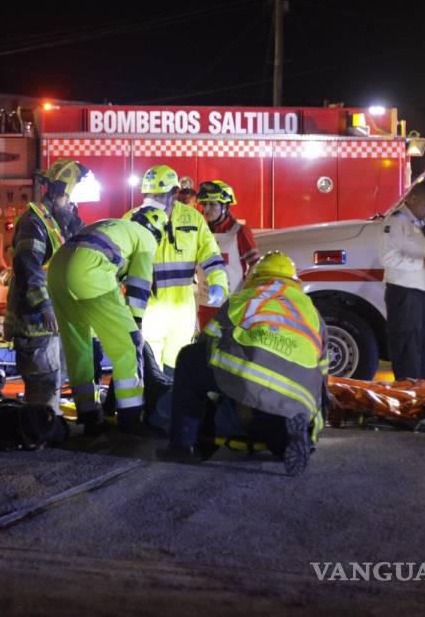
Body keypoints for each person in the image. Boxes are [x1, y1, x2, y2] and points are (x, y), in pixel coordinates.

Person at [160, 252, 329, 476]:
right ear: (294, 282)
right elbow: (323, 378)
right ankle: (292, 438)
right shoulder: (312, 312)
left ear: (253, 277)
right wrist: (314, 432)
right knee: (275, 424)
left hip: (249, 375)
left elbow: (206, 340)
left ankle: (182, 445)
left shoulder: (244, 298)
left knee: (189, 359)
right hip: (296, 391)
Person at [46, 209, 165, 434]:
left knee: (80, 346)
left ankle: (89, 414)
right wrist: (135, 323)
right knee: (128, 345)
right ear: (157, 232)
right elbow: (139, 283)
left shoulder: (111, 224)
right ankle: (131, 418)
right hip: (89, 270)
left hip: (57, 271)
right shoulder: (146, 237)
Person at [3, 158, 88, 414]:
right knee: (43, 384)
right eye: (69, 200)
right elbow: (28, 268)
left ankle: (47, 428)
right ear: (58, 193)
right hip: (36, 321)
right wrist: (45, 306)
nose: (73, 206)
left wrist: (74, 222)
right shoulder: (34, 223)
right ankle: (38, 436)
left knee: (52, 382)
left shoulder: (55, 222)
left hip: (51, 321)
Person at [124, 165, 227, 372]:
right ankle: (152, 403)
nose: (153, 200)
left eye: (159, 195)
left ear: (173, 194)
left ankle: (171, 402)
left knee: (178, 364)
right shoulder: (132, 219)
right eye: (149, 194)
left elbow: (210, 254)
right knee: (148, 365)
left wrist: (219, 283)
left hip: (183, 308)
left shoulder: (193, 218)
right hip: (148, 307)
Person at [379, 179, 425, 381]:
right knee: (407, 352)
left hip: (424, 293)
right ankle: (407, 401)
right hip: (404, 294)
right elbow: (388, 257)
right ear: (413, 198)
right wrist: (424, 264)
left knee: (422, 351)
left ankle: (418, 398)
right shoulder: (396, 221)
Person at [196, 180, 259, 329]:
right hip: (205, 305)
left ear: (225, 206)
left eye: (213, 205)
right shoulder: (200, 232)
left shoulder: (240, 232)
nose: (206, 209)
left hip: (232, 305)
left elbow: (255, 265)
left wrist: (246, 294)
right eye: (204, 204)